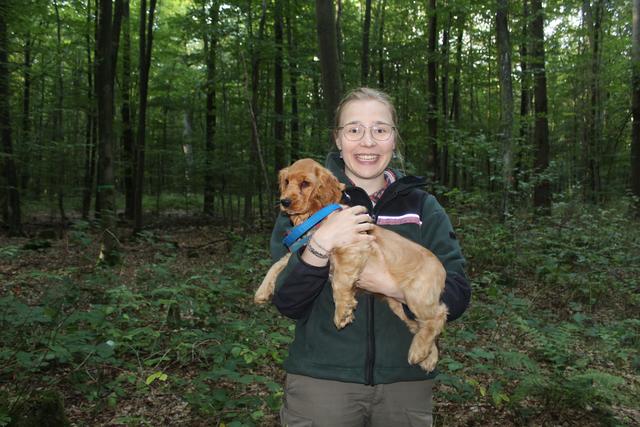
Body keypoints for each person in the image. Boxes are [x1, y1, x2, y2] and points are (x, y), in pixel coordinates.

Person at [268, 87, 470, 427]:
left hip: (405, 383)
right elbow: (287, 302)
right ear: (338, 138)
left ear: (394, 138)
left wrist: (393, 286)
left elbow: (458, 295)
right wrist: (321, 245)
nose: (367, 142)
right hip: (321, 384)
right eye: (354, 129)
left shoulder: (423, 209)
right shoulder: (305, 208)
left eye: (380, 129)